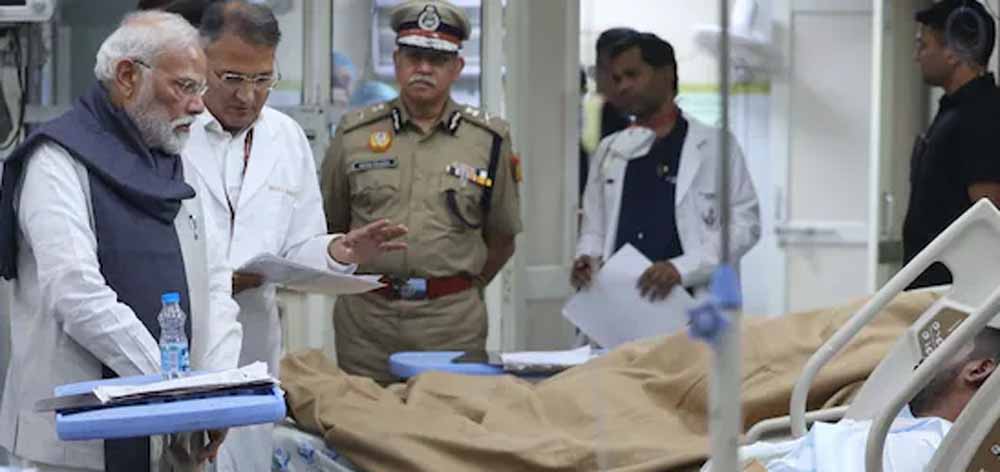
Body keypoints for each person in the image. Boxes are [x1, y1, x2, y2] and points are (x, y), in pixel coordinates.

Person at [0, 11, 238, 471]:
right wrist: (174, 391)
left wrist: (215, 392)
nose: (198, 106)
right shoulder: (56, 162)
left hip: (172, 435)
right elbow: (77, 293)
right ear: (128, 77)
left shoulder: (178, 166)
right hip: (79, 445)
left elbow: (214, 283)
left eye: (201, 89)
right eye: (184, 87)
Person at [178, 1, 407, 470]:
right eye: (232, 78)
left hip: (254, 339)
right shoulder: (172, 132)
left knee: (247, 457)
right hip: (180, 335)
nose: (248, 96)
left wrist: (340, 250)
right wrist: (218, 280)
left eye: (263, 79)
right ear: (200, 62)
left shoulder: (285, 137)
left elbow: (299, 246)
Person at [321, 0, 522, 384]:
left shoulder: (489, 140)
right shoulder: (354, 134)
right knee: (362, 417)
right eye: (414, 57)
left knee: (449, 417)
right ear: (397, 61)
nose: (424, 68)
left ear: (457, 68)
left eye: (438, 59)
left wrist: (457, 289)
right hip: (367, 322)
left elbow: (503, 236)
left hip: (450, 323)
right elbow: (331, 226)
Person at [572, 32, 760, 301]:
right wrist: (586, 258)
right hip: (620, 303)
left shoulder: (717, 146)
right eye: (617, 79)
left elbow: (745, 224)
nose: (623, 86)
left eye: (632, 75)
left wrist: (681, 268)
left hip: (692, 301)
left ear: (666, 74)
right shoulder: (609, 150)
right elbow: (594, 229)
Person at [762, 326, 1000, 471]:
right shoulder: (898, 427)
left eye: (943, 348)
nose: (923, 360)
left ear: (979, 369)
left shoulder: (935, 448)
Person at [904, 0, 1000, 289]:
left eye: (923, 45)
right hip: (932, 288)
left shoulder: (983, 114)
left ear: (953, 52)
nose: (916, 56)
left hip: (958, 294)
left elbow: (990, 216)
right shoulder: (954, 110)